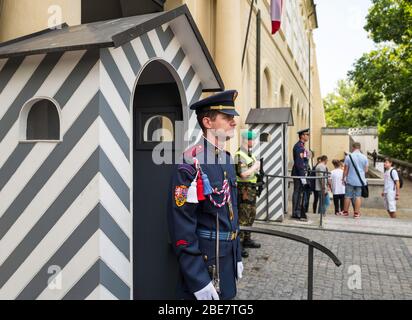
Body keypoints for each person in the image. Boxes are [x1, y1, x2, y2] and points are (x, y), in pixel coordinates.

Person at [168, 90, 243, 300]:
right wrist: (198, 279)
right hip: (205, 263)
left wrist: (236, 253)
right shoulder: (190, 163)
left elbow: (230, 212)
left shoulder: (227, 160)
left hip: (226, 257)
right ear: (208, 122)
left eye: (233, 117)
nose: (234, 122)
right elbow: (181, 226)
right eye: (227, 118)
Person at [235, 130, 261, 258]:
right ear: (247, 140)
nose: (254, 142)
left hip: (251, 189)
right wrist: (255, 167)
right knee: (243, 217)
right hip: (244, 189)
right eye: (253, 139)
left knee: (251, 215)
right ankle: (238, 245)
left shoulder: (249, 154)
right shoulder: (240, 155)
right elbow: (242, 174)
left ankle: (247, 239)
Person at [342, 142, 369, 218]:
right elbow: (366, 170)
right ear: (359, 148)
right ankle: (356, 213)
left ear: (353, 148)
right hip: (360, 181)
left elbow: (345, 170)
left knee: (347, 196)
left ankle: (345, 212)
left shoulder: (348, 157)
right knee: (358, 196)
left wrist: (343, 178)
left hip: (350, 179)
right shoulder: (364, 157)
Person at [291, 128, 310, 221]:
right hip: (299, 173)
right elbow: (299, 163)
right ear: (302, 136)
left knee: (299, 192)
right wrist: (302, 176)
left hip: (301, 172)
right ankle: (296, 212)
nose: (308, 136)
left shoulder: (302, 146)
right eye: (307, 134)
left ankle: (297, 210)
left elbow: (304, 161)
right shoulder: (299, 147)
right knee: (297, 192)